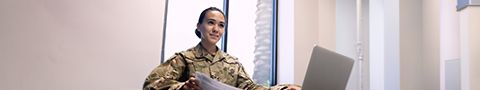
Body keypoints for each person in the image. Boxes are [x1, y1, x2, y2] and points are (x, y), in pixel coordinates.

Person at [143, 7, 301, 90]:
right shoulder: (183, 59)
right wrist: (182, 87)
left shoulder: (232, 64)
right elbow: (151, 84)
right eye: (210, 22)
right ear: (199, 27)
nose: (216, 29)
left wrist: (282, 89)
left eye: (221, 25)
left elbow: (251, 88)